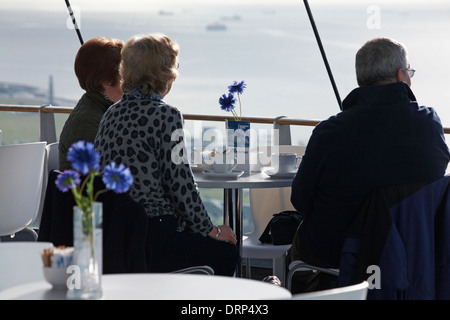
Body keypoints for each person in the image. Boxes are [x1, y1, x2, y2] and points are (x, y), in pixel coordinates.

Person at [287, 37, 450, 292]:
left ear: (361, 79)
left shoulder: (330, 133)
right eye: (410, 72)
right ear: (401, 75)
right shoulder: (429, 124)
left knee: (299, 242)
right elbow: (434, 180)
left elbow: (300, 200)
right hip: (411, 252)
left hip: (336, 253)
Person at [94, 33, 239, 276]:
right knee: (226, 250)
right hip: (152, 237)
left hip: (114, 237)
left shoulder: (111, 113)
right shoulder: (166, 116)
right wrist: (212, 231)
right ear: (165, 75)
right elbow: (180, 185)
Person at [59, 36, 124, 171]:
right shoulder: (86, 122)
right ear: (106, 80)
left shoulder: (103, 110)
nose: (130, 84)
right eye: (124, 77)